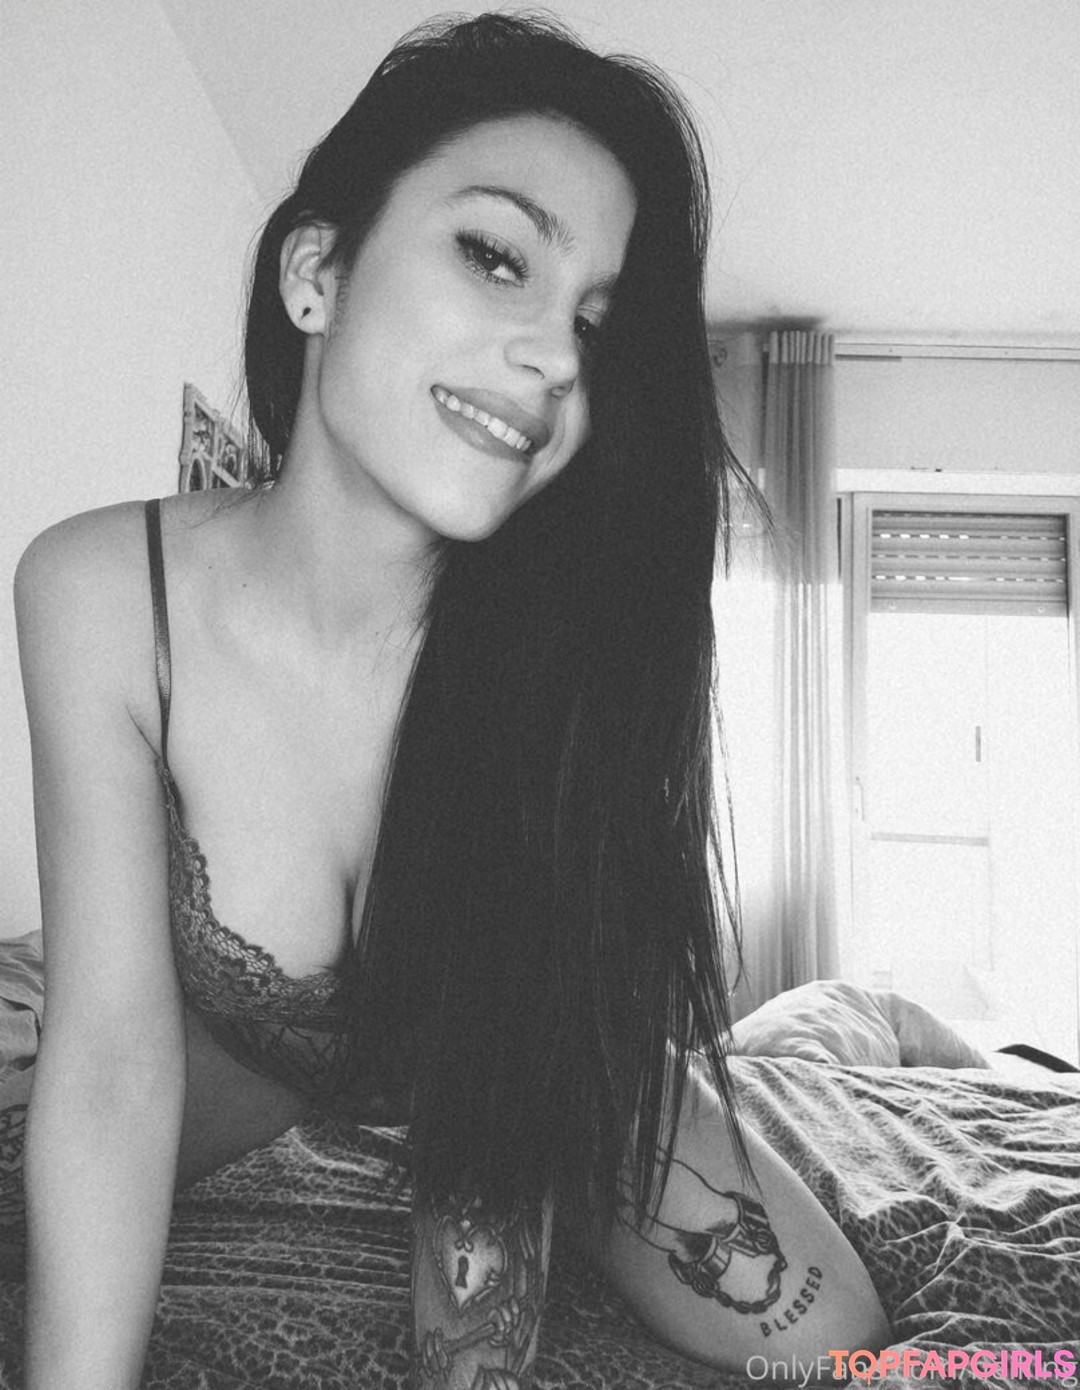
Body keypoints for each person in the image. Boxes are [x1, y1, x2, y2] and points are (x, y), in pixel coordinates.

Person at [10, 13, 891, 1388]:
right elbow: (116, 1052)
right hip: (247, 1063)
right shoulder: (100, 593)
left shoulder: (551, 652)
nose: (557, 357)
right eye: (496, 256)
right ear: (317, 273)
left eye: (593, 324)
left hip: (536, 1062)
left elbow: (496, 1118)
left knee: (834, 1341)